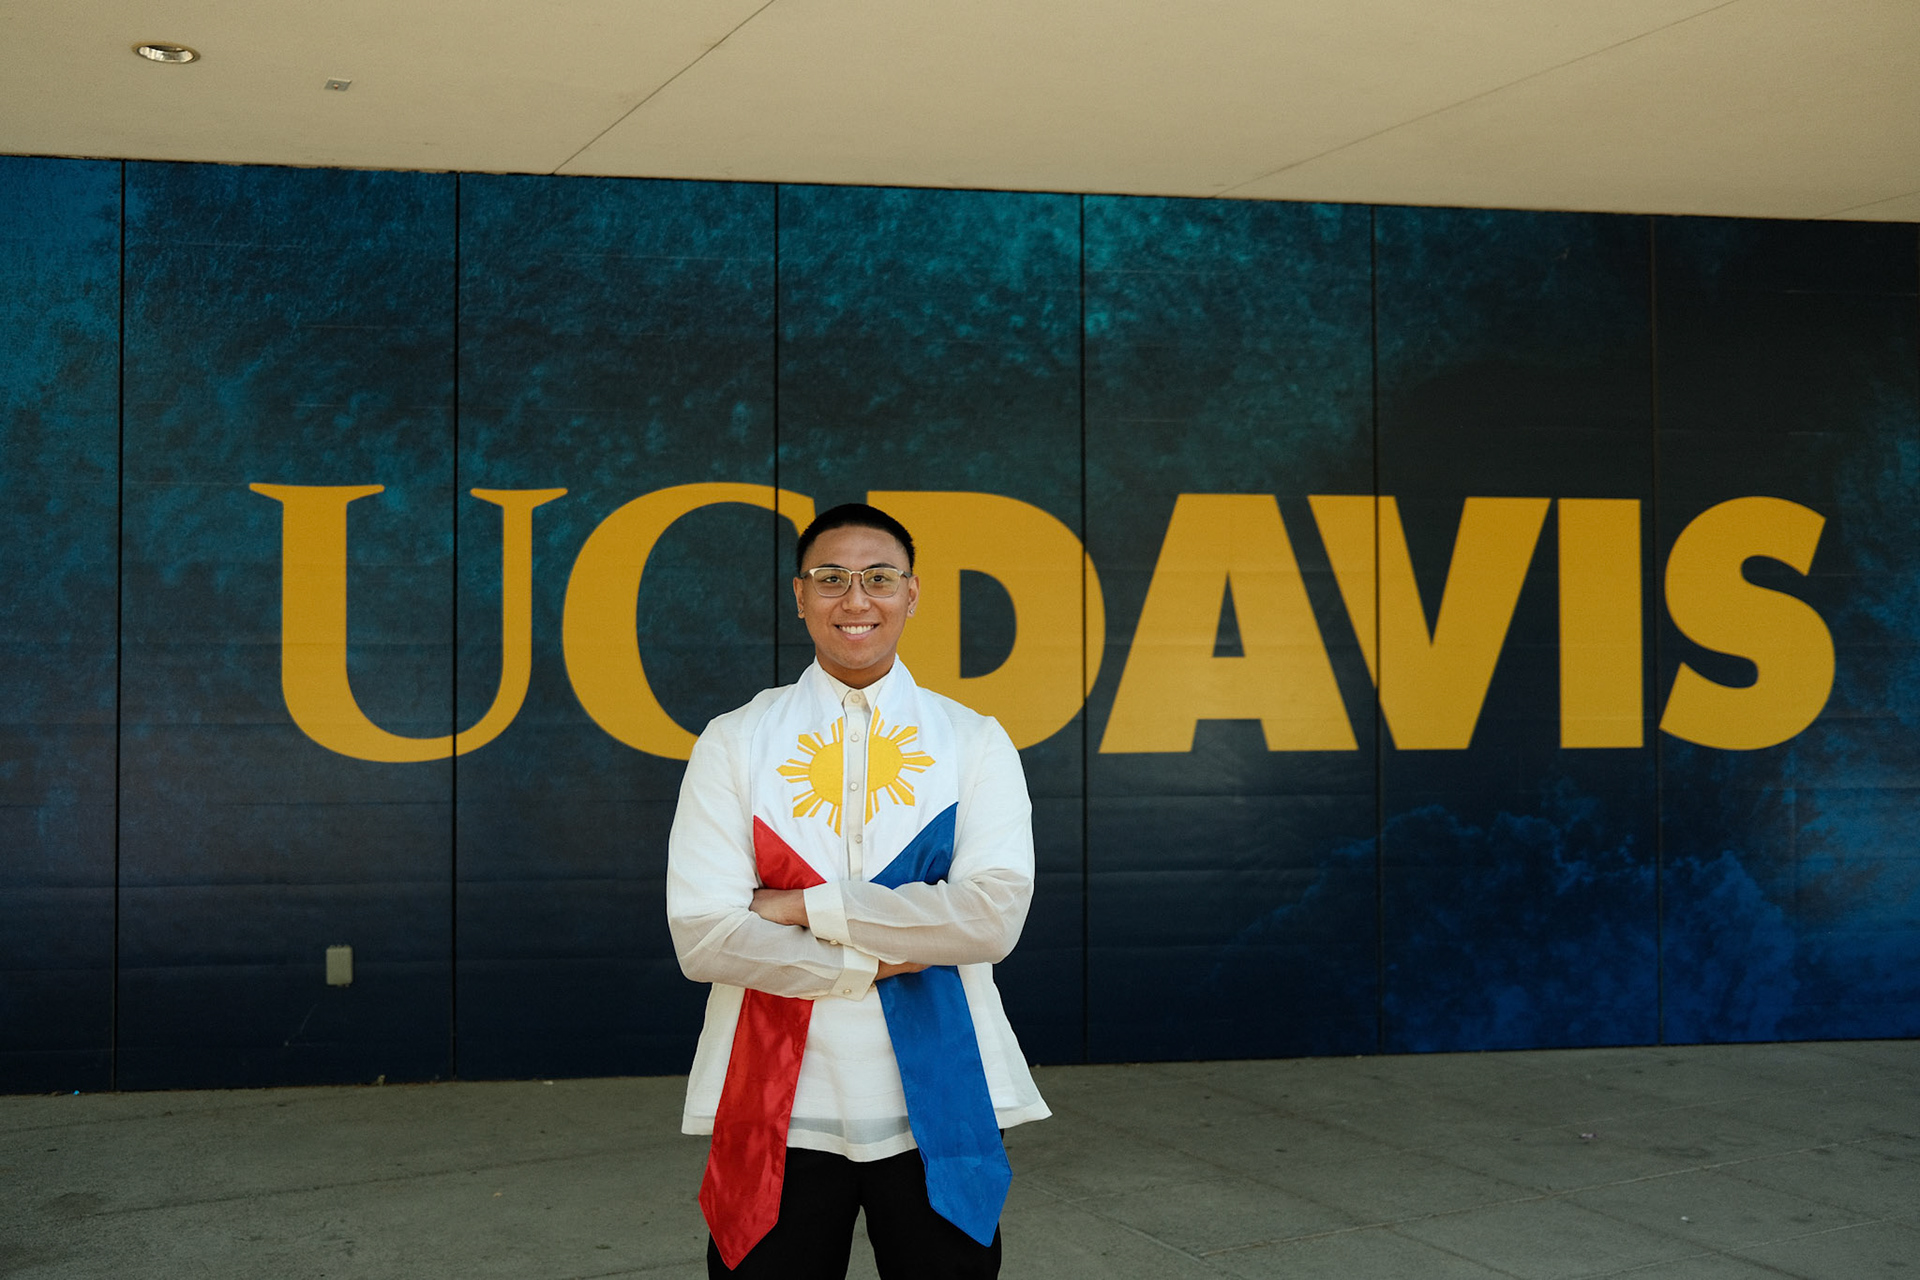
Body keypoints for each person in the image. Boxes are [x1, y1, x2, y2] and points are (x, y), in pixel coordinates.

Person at [666, 502, 1049, 1279]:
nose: (856, 599)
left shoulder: (973, 741)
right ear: (799, 595)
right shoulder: (736, 740)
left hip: (940, 1095)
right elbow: (704, 936)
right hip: (777, 1101)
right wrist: (875, 960)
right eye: (831, 578)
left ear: (912, 592)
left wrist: (802, 907)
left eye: (879, 577)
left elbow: (990, 920)